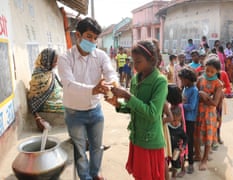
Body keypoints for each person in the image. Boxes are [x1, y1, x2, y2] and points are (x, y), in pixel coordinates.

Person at [57, 17, 118, 180]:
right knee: (80, 148)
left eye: (95, 38)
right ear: (78, 35)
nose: (92, 41)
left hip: (95, 109)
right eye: (89, 36)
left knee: (97, 146)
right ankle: (85, 177)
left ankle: (95, 172)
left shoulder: (100, 55)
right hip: (74, 112)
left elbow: (111, 73)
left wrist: (110, 85)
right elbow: (68, 85)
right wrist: (94, 89)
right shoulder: (65, 58)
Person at [108, 39, 167, 180]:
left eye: (138, 62)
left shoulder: (160, 81)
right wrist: (118, 105)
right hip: (136, 137)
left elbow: (153, 114)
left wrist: (128, 96)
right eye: (133, 61)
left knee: (150, 176)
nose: (134, 66)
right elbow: (133, 108)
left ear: (151, 59)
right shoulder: (135, 79)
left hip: (150, 140)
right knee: (140, 176)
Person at [196, 57, 223, 170]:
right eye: (207, 70)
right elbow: (195, 93)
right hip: (198, 111)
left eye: (212, 71)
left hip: (210, 114)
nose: (209, 73)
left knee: (208, 136)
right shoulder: (200, 79)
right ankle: (197, 154)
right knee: (197, 134)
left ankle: (205, 159)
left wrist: (204, 97)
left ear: (217, 71)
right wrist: (201, 93)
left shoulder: (218, 84)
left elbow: (215, 103)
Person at [27, 48, 63, 132]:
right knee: (72, 106)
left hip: (58, 98)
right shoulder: (38, 76)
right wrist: (37, 117)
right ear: (47, 61)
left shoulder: (50, 72)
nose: (56, 64)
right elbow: (33, 99)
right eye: (54, 61)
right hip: (47, 104)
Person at [178, 68, 199, 174]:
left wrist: (181, 105)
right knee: (182, 141)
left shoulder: (194, 90)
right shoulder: (185, 88)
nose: (181, 82)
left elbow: (191, 106)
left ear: (188, 79)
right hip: (183, 118)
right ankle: (182, 160)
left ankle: (190, 163)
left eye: (182, 80)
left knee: (189, 141)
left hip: (189, 120)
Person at [168, 106, 188, 179]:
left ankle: (174, 175)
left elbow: (186, 138)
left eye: (177, 121)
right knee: (166, 163)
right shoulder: (167, 127)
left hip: (176, 150)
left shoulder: (180, 129)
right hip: (167, 149)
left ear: (180, 119)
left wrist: (183, 147)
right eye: (173, 120)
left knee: (175, 163)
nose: (175, 123)